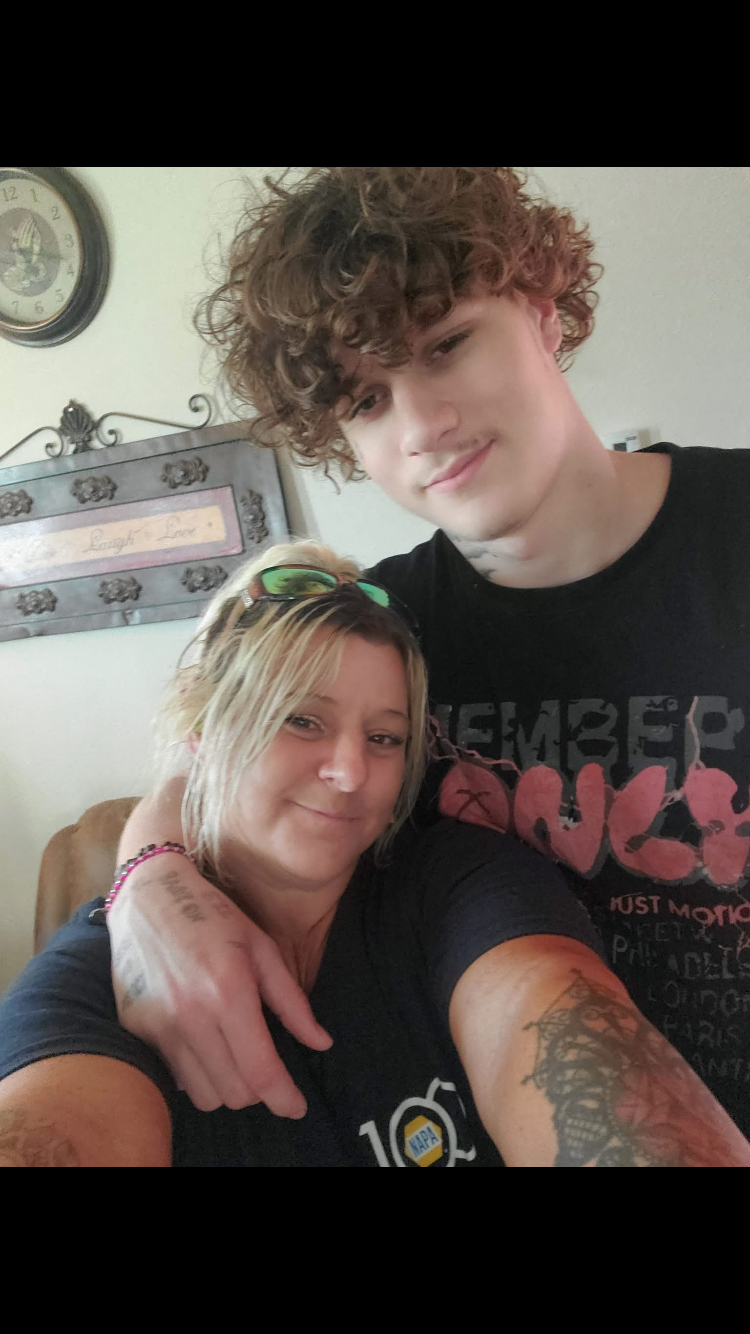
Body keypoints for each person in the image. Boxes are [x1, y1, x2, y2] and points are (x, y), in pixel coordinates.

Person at [107, 167, 750, 1137]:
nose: (422, 427)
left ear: (542, 312)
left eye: (446, 344)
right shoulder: (381, 634)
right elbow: (206, 756)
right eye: (367, 399)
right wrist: (147, 880)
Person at [7, 543, 748, 1167]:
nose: (351, 771)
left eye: (384, 737)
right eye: (302, 720)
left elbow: (561, 1025)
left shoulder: (462, 886)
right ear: (204, 732)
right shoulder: (103, 971)